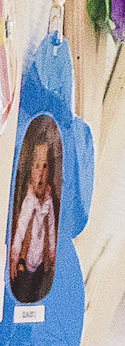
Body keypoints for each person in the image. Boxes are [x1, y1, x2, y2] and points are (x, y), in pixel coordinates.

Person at [8, 117, 59, 305]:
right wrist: (14, 256)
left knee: (37, 291)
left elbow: (52, 228)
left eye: (45, 167)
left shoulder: (48, 201)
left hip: (40, 262)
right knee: (22, 289)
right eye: (37, 167)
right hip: (24, 260)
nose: (41, 173)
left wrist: (52, 254)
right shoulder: (28, 201)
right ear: (30, 170)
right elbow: (20, 230)